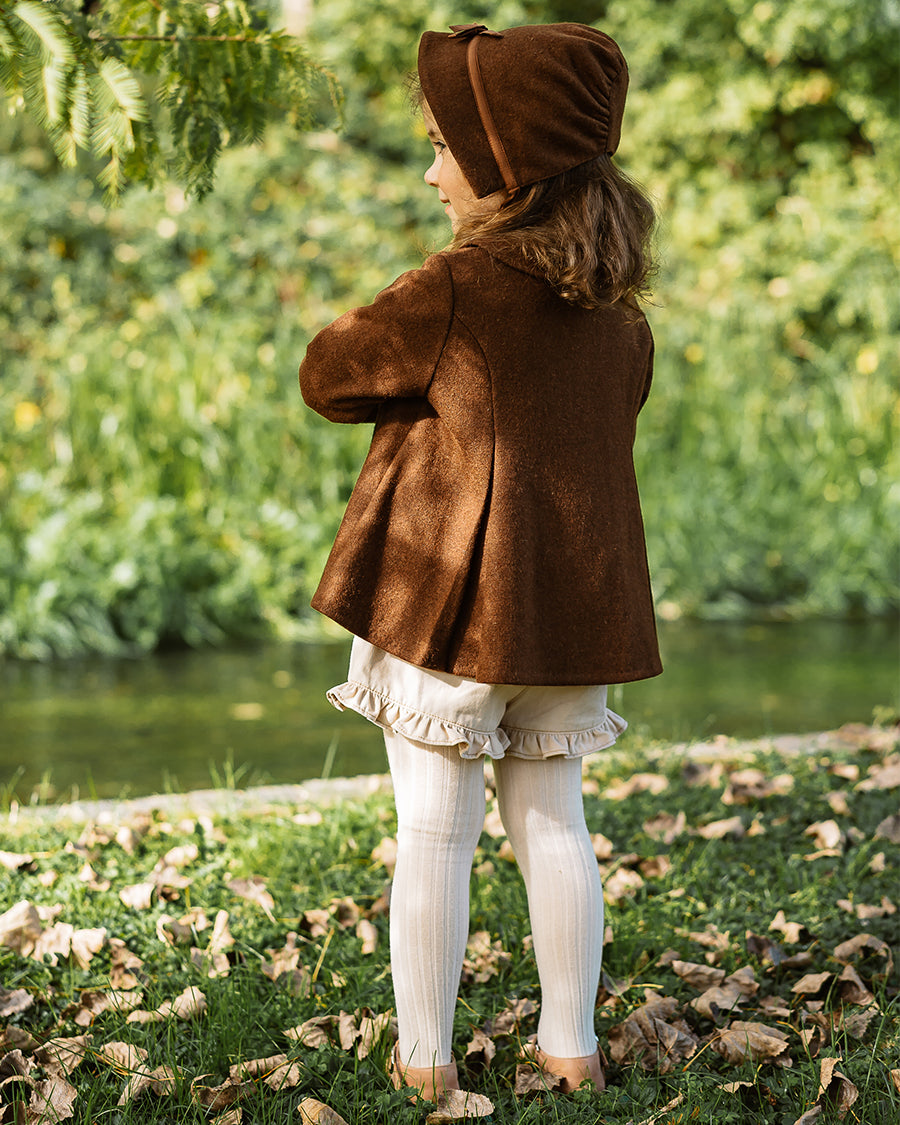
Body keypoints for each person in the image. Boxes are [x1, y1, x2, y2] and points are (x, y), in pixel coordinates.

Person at [299, 21, 662, 1101]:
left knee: (434, 827)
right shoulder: (620, 317)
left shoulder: (456, 285)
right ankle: (571, 1047)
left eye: (442, 149)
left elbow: (327, 374)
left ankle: (425, 1063)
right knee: (554, 821)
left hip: (451, 605)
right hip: (569, 613)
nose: (430, 172)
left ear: (506, 165)